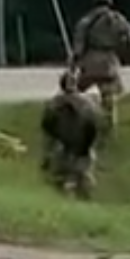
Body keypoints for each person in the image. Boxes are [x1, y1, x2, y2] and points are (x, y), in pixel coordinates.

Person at [69, 0, 130, 122]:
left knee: (73, 92)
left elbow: (78, 47)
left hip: (89, 62)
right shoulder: (118, 20)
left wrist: (73, 64)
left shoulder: (86, 21)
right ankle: (108, 127)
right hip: (109, 62)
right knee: (109, 100)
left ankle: (76, 118)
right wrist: (122, 53)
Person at [38, 67, 105, 198]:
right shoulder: (86, 104)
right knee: (79, 176)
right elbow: (94, 126)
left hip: (68, 146)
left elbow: (47, 127)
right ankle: (80, 197)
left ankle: (69, 195)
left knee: (65, 176)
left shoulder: (54, 104)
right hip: (76, 147)